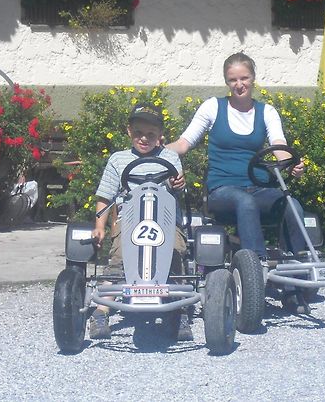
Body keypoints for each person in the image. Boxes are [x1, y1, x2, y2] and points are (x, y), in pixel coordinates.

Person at [167, 52, 309, 313]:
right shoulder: (213, 107)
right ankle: (256, 276)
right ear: (226, 82)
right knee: (244, 202)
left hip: (259, 188)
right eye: (233, 80)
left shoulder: (267, 112)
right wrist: (157, 152)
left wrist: (293, 164)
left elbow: (279, 146)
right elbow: (184, 144)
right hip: (223, 191)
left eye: (244, 78)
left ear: (253, 78)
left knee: (293, 206)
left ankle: (292, 288)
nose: (239, 84)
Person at [90, 103, 192, 339]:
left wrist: (177, 183)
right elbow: (105, 196)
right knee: (120, 255)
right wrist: (99, 226)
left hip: (164, 219)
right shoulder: (118, 160)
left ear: (160, 136)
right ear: (129, 132)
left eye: (150, 134)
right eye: (138, 133)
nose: (144, 139)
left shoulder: (170, 157)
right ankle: (102, 309)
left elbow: (177, 185)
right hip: (129, 218)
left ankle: (179, 311)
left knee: (175, 251)